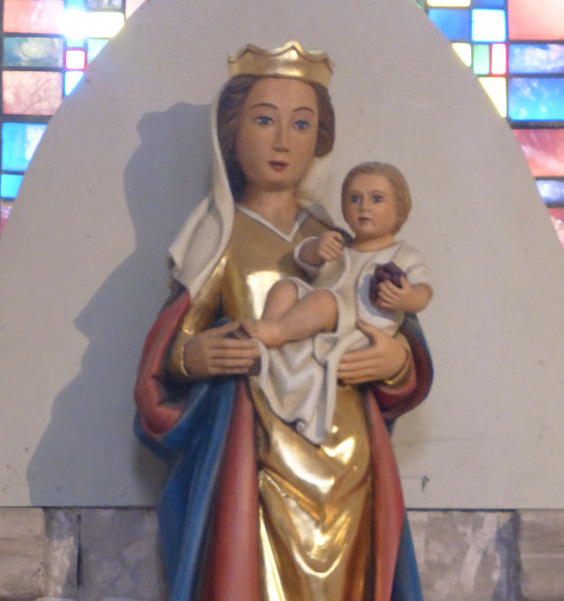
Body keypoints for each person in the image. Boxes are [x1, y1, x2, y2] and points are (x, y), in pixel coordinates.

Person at [134, 41, 433, 601]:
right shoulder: (215, 236)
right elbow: (168, 355)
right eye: (264, 120)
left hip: (347, 457)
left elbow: (393, 324)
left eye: (301, 124)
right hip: (256, 456)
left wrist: (396, 362)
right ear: (231, 132)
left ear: (320, 139)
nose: (282, 141)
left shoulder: (339, 236)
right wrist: (193, 356)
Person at [243, 161, 432, 444]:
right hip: (319, 316)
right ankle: (268, 337)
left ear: (400, 209)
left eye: (376, 199)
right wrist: (316, 248)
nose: (363, 207)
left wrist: (406, 297)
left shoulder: (404, 255)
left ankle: (279, 332)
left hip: (356, 329)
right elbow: (303, 259)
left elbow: (423, 293)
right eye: (354, 199)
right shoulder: (340, 244)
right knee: (286, 287)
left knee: (324, 299)